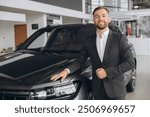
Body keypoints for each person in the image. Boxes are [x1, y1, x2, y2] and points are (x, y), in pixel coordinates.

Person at [50, 6, 135, 100]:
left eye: (103, 15)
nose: (100, 18)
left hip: (116, 91)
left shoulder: (119, 39)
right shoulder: (89, 41)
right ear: (93, 19)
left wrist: (107, 72)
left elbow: (130, 63)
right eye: (97, 16)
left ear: (109, 19)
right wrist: (66, 70)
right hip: (98, 91)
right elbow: (80, 61)